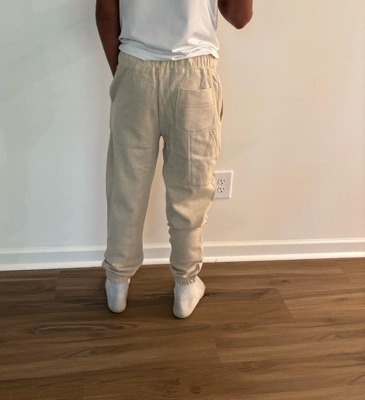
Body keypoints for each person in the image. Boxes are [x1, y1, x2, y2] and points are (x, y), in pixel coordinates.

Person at [95, 0, 253, 318]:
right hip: (194, 71)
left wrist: (124, 72)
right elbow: (239, 16)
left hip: (135, 66)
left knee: (126, 186)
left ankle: (117, 282)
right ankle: (185, 283)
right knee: (191, 189)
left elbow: (106, 11)